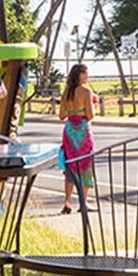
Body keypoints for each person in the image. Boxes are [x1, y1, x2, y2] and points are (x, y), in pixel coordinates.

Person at [58, 63, 96, 214]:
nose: (87, 76)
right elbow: (90, 115)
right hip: (82, 130)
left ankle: (67, 201)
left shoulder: (66, 92)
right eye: (85, 73)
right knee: (85, 166)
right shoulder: (86, 92)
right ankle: (83, 202)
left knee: (71, 167)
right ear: (79, 75)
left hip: (69, 131)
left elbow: (61, 115)